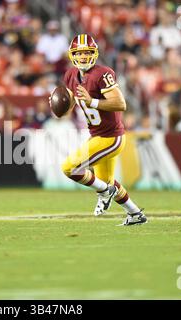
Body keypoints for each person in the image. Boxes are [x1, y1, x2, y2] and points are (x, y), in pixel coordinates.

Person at [57, 34, 147, 226]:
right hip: (97, 135)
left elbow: (120, 103)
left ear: (94, 54)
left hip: (111, 137)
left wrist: (93, 101)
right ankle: (135, 214)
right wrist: (58, 105)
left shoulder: (102, 73)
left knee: (69, 168)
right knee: (107, 181)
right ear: (72, 55)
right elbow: (71, 105)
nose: (82, 57)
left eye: (87, 53)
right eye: (79, 53)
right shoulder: (71, 75)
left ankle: (105, 191)